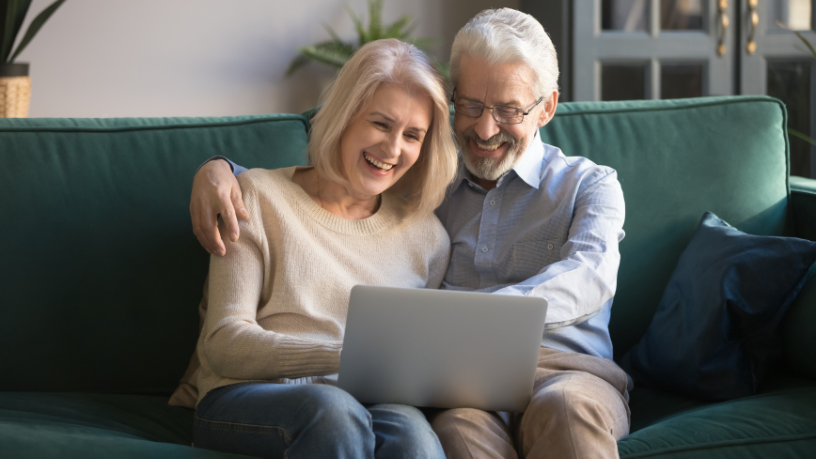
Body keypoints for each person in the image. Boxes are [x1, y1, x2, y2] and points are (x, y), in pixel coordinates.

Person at [190, 9, 631, 459]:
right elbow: (309, 194)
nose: (484, 128)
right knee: (455, 430)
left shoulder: (587, 186)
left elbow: (590, 276)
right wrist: (219, 169)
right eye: (472, 106)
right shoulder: (431, 192)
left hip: (565, 374)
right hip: (464, 388)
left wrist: (483, 317)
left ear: (547, 107)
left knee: (559, 410)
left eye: (508, 110)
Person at [187, 38, 458, 459]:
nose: (392, 149)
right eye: (381, 124)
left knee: (415, 436)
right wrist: (341, 357)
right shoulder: (256, 197)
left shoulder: (427, 238)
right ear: (345, 116)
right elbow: (223, 342)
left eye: (413, 135)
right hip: (244, 398)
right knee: (332, 411)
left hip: (363, 403)